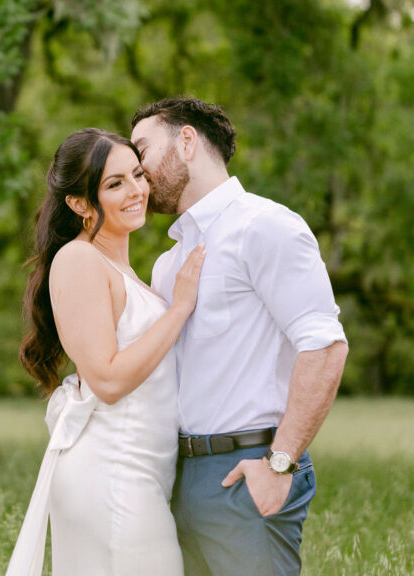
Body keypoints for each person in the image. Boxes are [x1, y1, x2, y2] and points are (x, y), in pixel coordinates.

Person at [131, 97, 348, 576]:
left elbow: (325, 347)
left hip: (246, 470)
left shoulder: (265, 226)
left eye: (142, 150)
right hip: (176, 474)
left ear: (186, 141)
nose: (137, 169)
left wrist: (279, 466)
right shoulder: (167, 264)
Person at [6, 127, 206, 576]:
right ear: (78, 203)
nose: (136, 190)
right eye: (114, 184)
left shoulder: (124, 269)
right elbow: (108, 380)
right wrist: (180, 309)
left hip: (143, 473)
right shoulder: (79, 260)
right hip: (111, 471)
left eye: (137, 174)